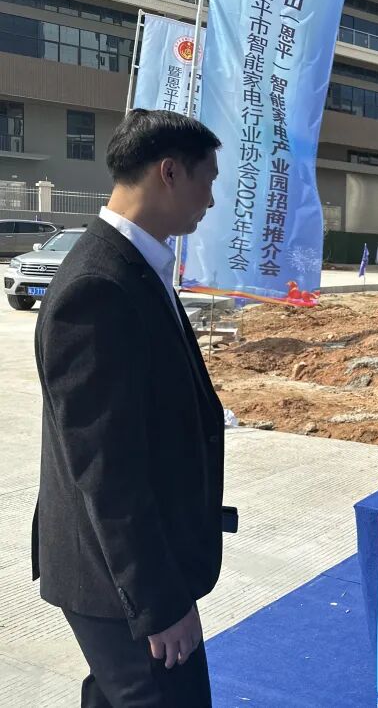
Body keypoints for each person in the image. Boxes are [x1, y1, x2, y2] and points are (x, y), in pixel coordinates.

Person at [32, 109, 228, 707]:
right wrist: (158, 604)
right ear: (169, 172)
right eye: (207, 180)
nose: (211, 200)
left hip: (127, 570)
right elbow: (106, 469)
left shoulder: (137, 265)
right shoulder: (98, 286)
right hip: (118, 582)